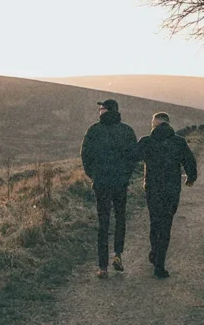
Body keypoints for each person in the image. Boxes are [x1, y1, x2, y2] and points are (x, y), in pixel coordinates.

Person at [135, 111, 197, 278]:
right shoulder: (179, 142)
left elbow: (132, 157)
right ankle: (160, 265)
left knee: (154, 222)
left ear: (155, 124)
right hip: (171, 189)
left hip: (152, 189)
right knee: (166, 225)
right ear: (168, 124)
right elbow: (190, 161)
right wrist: (191, 178)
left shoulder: (146, 141)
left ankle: (154, 252)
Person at [80, 98, 137, 279]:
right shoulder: (127, 131)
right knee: (120, 217)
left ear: (107, 110)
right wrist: (126, 176)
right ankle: (118, 254)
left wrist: (93, 175)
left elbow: (85, 155)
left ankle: (102, 266)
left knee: (103, 222)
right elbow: (133, 157)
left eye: (101, 108)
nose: (99, 111)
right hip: (120, 182)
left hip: (102, 182)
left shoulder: (94, 130)